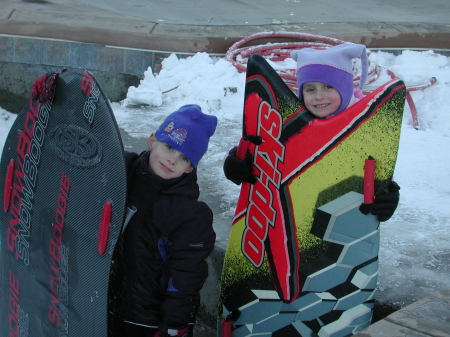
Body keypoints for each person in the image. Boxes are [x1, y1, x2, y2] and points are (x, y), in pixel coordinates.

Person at [223, 42, 400, 221]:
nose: (319, 96)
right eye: (310, 89)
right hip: (294, 219)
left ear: (345, 87)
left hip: (342, 223)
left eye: (329, 87)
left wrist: (387, 197)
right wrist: (237, 163)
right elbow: (265, 153)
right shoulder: (288, 125)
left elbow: (376, 168)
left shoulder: (364, 127)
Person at [110, 104, 218, 337]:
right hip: (103, 301)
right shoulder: (121, 171)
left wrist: (175, 324)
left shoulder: (190, 215)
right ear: (152, 141)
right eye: (169, 147)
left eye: (184, 158)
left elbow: (186, 277)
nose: (172, 160)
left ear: (190, 168)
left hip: (146, 320)